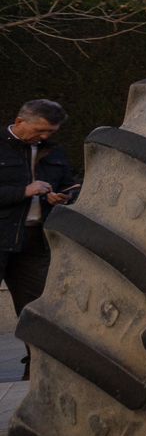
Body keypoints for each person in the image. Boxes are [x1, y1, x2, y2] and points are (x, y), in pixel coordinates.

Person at [0, 99, 75, 377]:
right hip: (2, 237)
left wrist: (64, 196)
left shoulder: (54, 152)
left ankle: (39, 371)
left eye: (51, 132)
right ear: (20, 122)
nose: (45, 137)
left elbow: (71, 182)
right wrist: (24, 191)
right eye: (41, 131)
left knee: (39, 311)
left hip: (34, 242)